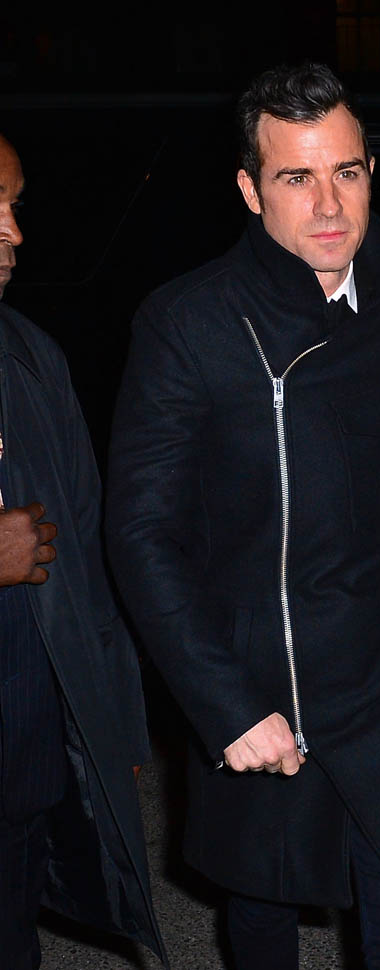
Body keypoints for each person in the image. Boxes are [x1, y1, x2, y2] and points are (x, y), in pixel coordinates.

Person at [105, 63, 380, 970]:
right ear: (249, 189)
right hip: (266, 685)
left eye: (346, 171)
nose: (329, 205)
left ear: (372, 171)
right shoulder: (190, 323)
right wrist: (226, 705)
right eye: (296, 177)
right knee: (264, 916)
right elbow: (142, 534)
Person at [0, 134, 165, 968]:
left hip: (21, 754)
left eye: (14, 205)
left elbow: (92, 559)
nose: (14, 232)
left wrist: (115, 723)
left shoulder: (31, 357)